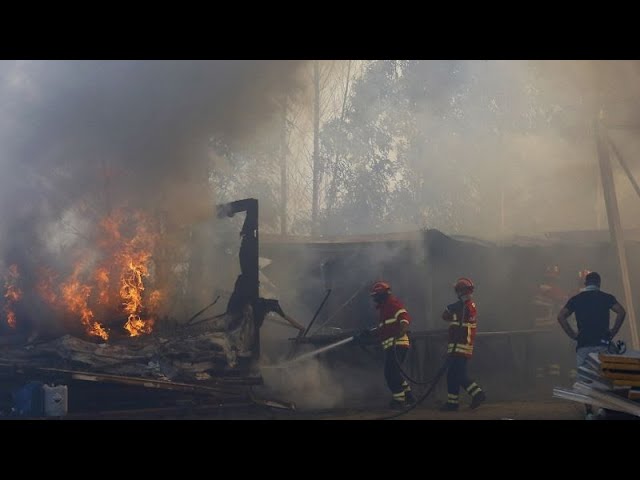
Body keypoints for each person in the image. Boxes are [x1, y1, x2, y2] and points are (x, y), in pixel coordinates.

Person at [557, 271, 626, 420]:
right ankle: (603, 409)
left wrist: (572, 334)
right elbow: (621, 312)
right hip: (602, 343)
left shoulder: (576, 299)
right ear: (599, 283)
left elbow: (561, 316)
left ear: (585, 284)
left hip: (584, 344)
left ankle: (589, 412)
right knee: (604, 379)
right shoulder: (606, 298)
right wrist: (613, 331)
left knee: (585, 380)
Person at [366, 281, 416, 408]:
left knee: (390, 373)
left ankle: (399, 400)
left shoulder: (392, 303)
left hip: (398, 345)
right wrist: (368, 334)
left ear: (382, 295)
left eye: (376, 296)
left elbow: (404, 318)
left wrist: (402, 331)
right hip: (392, 346)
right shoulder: (384, 309)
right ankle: (409, 397)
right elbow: (384, 328)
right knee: (395, 372)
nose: (375, 299)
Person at [440, 277, 486, 411]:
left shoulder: (466, 307)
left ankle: (478, 394)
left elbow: (446, 315)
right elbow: (445, 316)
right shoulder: (463, 307)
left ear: (459, 292)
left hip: (461, 346)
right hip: (458, 346)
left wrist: (451, 307)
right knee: (452, 374)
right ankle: (452, 403)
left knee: (459, 375)